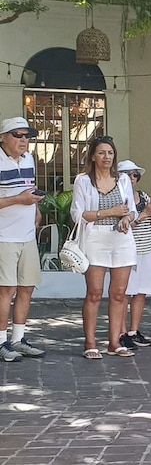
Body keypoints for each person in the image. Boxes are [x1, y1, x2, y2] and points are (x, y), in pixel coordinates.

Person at [71, 136, 139, 359]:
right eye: (101, 153)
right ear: (93, 156)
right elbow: (78, 214)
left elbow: (131, 210)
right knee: (95, 292)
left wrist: (126, 218)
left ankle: (114, 342)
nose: (106, 157)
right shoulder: (83, 180)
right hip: (95, 238)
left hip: (121, 239)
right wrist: (110, 213)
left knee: (119, 293)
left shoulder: (123, 180)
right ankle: (90, 342)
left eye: (110, 153)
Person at [0, 117, 46, 362]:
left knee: (27, 288)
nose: (24, 140)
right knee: (5, 290)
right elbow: (18, 196)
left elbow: (29, 188)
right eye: (18, 135)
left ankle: (18, 339)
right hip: (3, 236)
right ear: (3, 137)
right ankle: (0, 342)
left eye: (27, 136)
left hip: (27, 234)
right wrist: (19, 200)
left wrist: (35, 209)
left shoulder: (29, 159)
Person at [118, 160, 151, 349]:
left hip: (146, 248)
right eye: (127, 174)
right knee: (124, 293)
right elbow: (124, 226)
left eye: (135, 174)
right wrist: (144, 213)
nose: (132, 178)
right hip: (127, 250)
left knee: (141, 291)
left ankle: (134, 331)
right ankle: (121, 332)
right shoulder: (118, 199)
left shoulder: (143, 196)